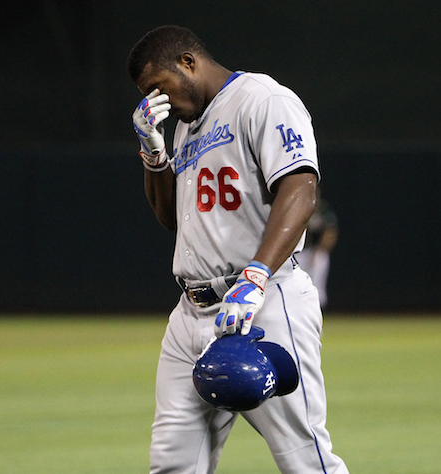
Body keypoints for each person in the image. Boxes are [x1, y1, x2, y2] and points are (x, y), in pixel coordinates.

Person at [127, 25, 349, 473]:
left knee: (304, 459)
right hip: (190, 313)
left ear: (187, 62)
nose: (157, 101)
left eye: (158, 86)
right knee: (172, 463)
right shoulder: (185, 130)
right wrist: (154, 156)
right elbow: (172, 218)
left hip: (260, 302)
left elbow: (300, 187)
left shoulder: (263, 99)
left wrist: (256, 276)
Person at [298, 188, 339, 308]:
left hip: (314, 252)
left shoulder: (323, 210)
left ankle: (318, 310)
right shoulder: (298, 208)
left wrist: (318, 251)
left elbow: (330, 233)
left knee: (320, 261)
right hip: (296, 253)